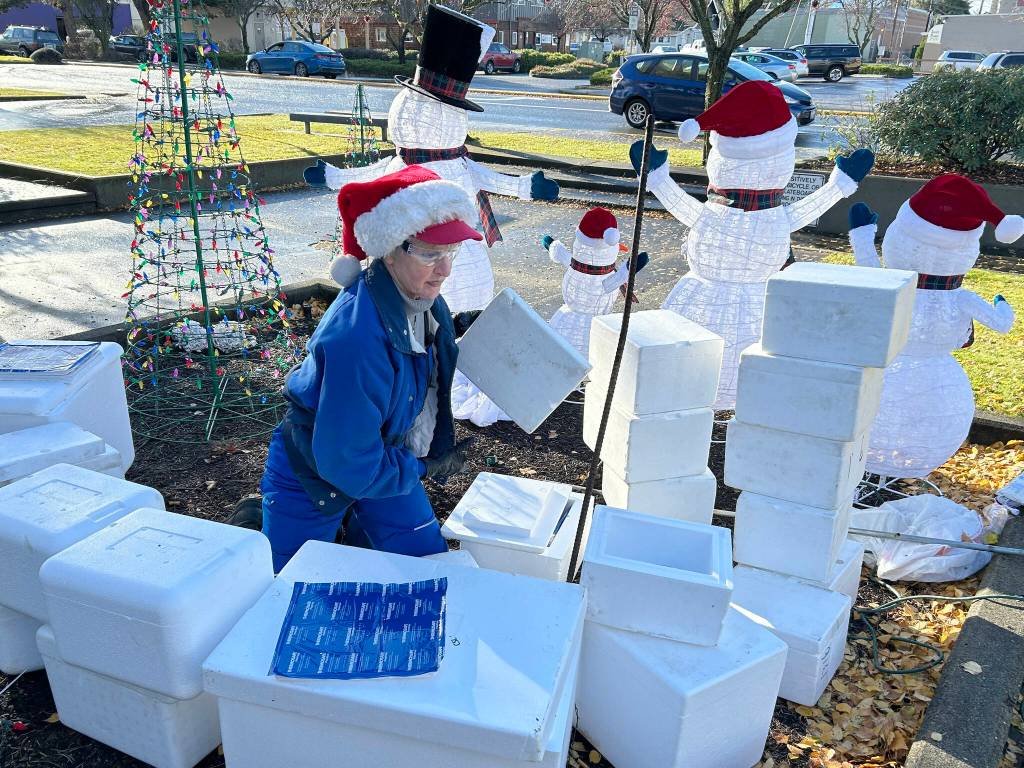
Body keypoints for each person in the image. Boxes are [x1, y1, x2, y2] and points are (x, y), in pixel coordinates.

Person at [251, 165, 482, 571]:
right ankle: (255, 521)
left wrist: (474, 335)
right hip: (315, 472)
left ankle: (358, 529)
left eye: (451, 251)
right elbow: (349, 463)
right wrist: (423, 467)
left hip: (380, 455)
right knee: (291, 584)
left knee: (427, 564)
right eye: (431, 252)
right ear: (390, 250)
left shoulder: (426, 300)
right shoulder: (355, 340)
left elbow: (425, 367)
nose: (445, 270)